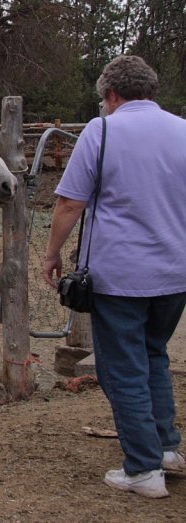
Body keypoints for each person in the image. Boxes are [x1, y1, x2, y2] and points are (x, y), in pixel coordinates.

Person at [44, 55, 186, 499]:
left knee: (121, 369)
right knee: (153, 355)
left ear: (111, 94)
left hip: (121, 275)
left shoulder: (100, 131)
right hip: (176, 272)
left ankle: (143, 469)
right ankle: (166, 448)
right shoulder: (182, 130)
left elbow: (70, 203)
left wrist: (52, 253)